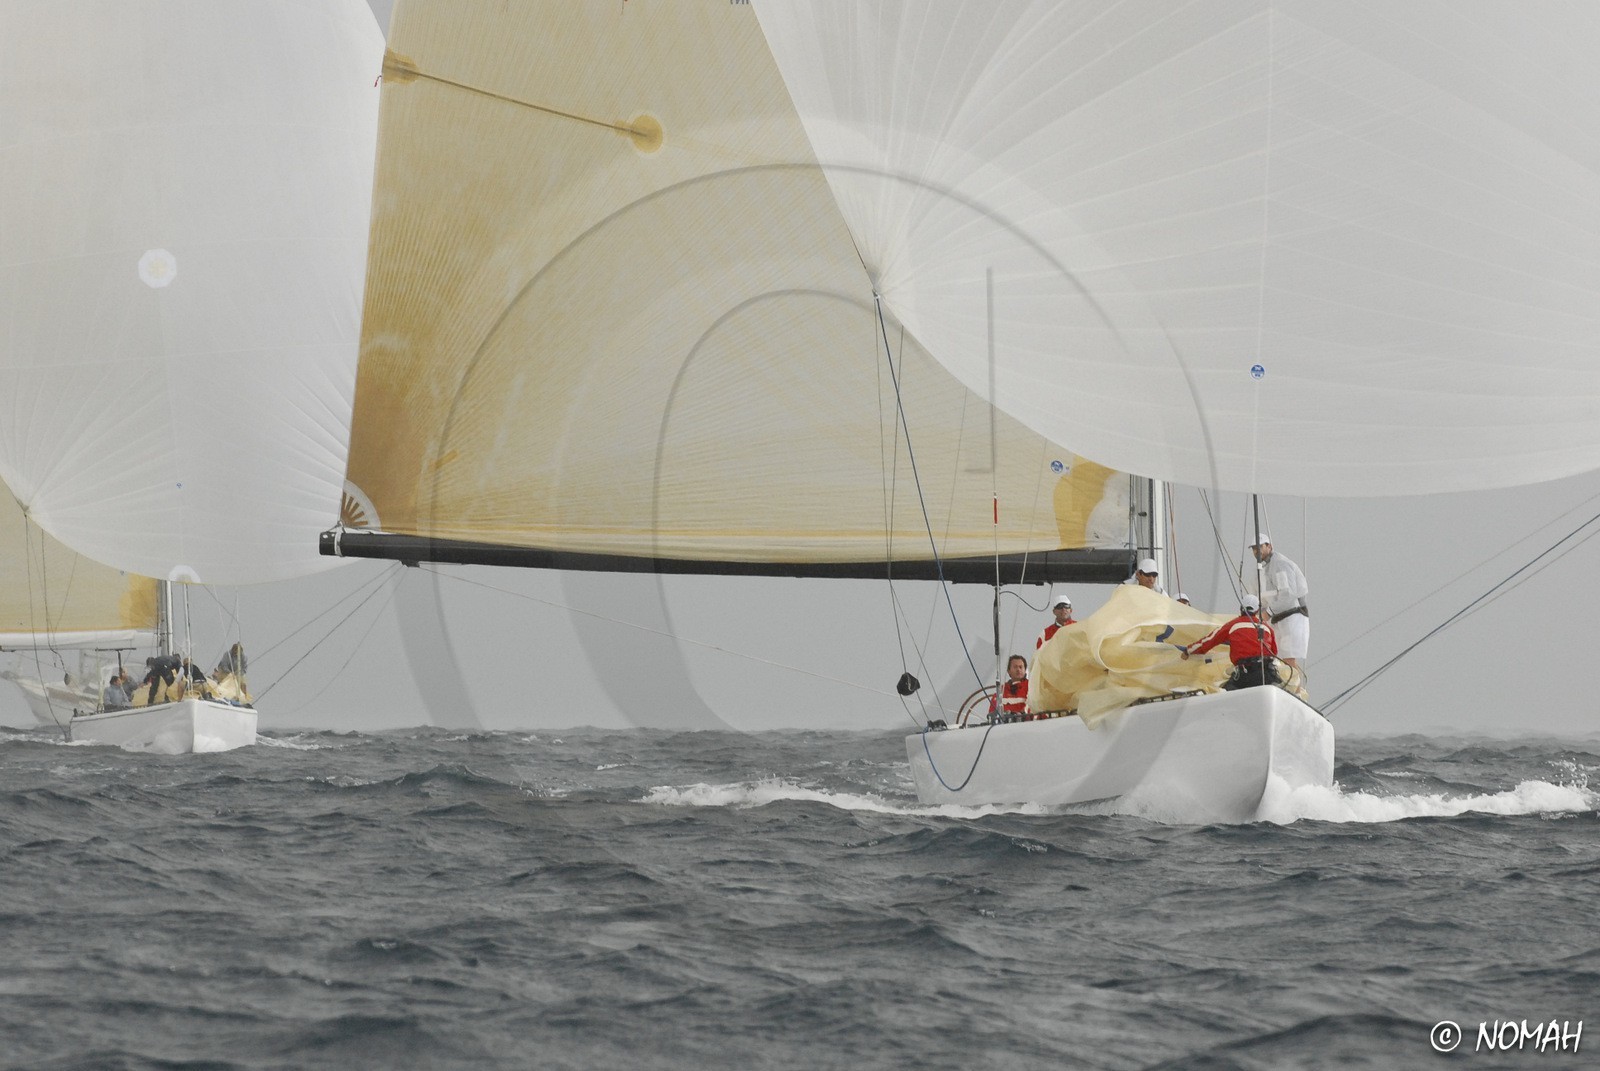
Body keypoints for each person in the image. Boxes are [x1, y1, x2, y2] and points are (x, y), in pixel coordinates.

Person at [1181, 594, 1280, 690]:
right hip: (1267, 674)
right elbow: (1274, 652)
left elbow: (1208, 641)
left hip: (1244, 675)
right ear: (1257, 610)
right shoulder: (1267, 628)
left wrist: (1188, 651)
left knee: (1224, 692)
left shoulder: (1232, 625)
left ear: (1241, 608)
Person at [1250, 533, 1309, 671]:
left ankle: (1295, 683)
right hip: (1277, 620)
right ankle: (1293, 682)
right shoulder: (1263, 569)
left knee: (1288, 658)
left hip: (1291, 617)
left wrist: (1267, 613)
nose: (1256, 551)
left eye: (1260, 547)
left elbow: (1287, 595)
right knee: (1280, 659)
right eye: (1254, 548)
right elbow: (1263, 597)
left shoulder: (1280, 564)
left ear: (1269, 546)